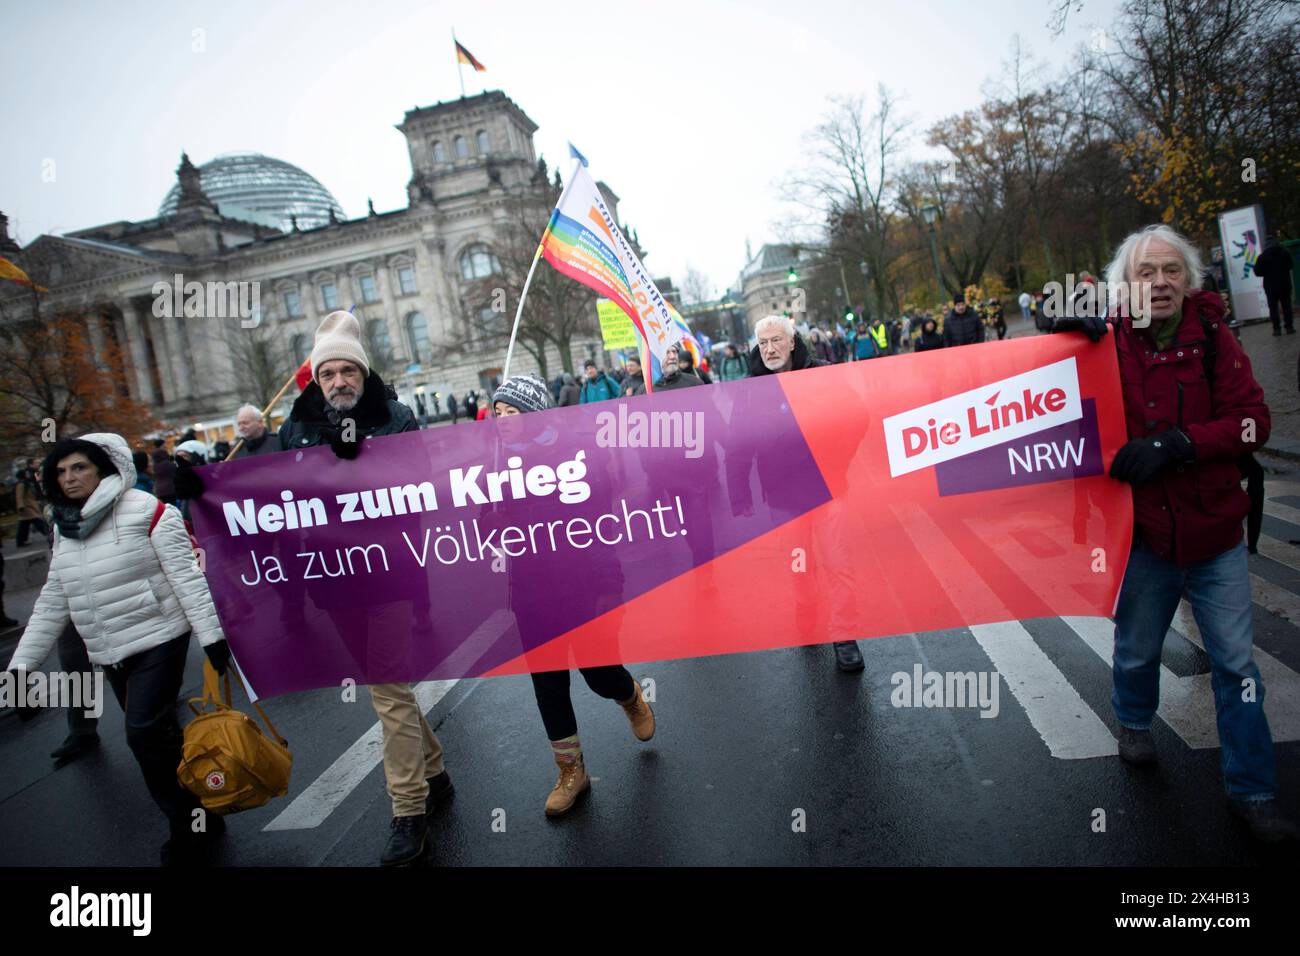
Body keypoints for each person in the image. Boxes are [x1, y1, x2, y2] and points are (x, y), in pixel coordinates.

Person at [1054, 224, 1295, 843]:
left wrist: (1180, 444)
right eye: (1145, 272)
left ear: (1189, 281)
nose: (1159, 283)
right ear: (1125, 284)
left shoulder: (1215, 338)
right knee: (1137, 650)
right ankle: (1133, 719)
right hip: (1146, 537)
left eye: (1171, 272)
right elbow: (1055, 411)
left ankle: (1253, 790)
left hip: (1215, 533)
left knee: (1237, 665)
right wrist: (1062, 341)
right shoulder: (1104, 342)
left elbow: (1254, 423)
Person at [6, 433, 231, 865]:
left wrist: (212, 637)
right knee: (162, 738)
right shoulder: (64, 527)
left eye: (80, 468)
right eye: (61, 471)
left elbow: (187, 578)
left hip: (161, 637)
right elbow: (54, 600)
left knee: (142, 733)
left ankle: (185, 826)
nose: (69, 478)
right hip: (109, 649)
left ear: (105, 469)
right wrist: (22, 667)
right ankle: (203, 810)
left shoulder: (149, 512)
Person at [490, 375, 655, 815]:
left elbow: (601, 527)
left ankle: (629, 695)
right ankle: (571, 772)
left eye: (512, 412)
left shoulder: (576, 456)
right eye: (498, 413)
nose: (502, 421)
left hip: (582, 587)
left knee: (598, 672)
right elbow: (490, 530)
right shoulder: (494, 463)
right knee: (548, 684)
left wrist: (609, 585)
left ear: (536, 413)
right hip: (531, 593)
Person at [747, 315, 865, 673]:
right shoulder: (752, 388)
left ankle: (845, 637)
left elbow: (858, 416)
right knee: (799, 566)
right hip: (785, 501)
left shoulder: (823, 375)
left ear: (792, 342)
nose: (770, 349)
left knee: (837, 564)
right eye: (763, 343)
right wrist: (742, 493)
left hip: (828, 493)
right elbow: (739, 439)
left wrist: (835, 461)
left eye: (776, 341)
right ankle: (808, 619)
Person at [1254, 236, 1294, 336]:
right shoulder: (1284, 252)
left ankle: (1277, 329)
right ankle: (1289, 327)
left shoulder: (1262, 257)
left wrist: (1266, 272)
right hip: (1284, 284)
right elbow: (1291, 265)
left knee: (1273, 308)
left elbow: (1257, 272)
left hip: (1270, 287)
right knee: (1287, 306)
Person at [14, 459, 50, 547]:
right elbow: (19, 496)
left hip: (27, 507)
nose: (27, 475)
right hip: (26, 507)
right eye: (25, 474)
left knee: (24, 525)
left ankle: (20, 541)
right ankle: (49, 534)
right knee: (38, 522)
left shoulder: (24, 483)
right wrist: (21, 506)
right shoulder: (21, 484)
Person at [150, 440, 176, 505]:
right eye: (164, 445)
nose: (165, 446)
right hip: (169, 489)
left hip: (159, 490)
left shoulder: (155, 464)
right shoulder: (167, 463)